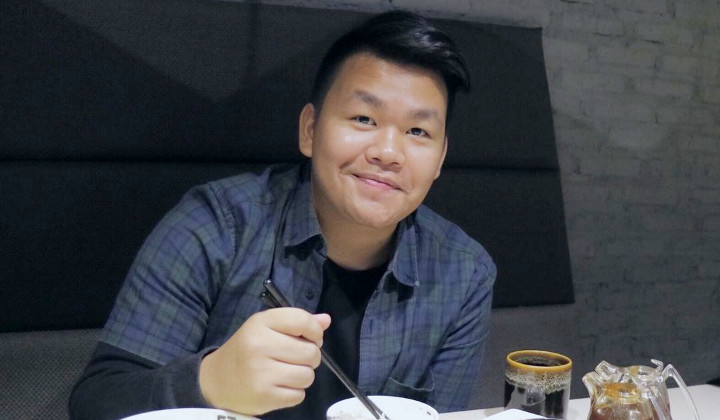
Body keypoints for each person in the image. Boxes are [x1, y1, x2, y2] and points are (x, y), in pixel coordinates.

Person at [70, 9, 496, 420]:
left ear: (440, 157)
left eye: (418, 131)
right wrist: (210, 381)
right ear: (310, 130)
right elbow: (96, 402)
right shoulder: (215, 228)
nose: (388, 152)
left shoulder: (463, 274)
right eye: (364, 118)